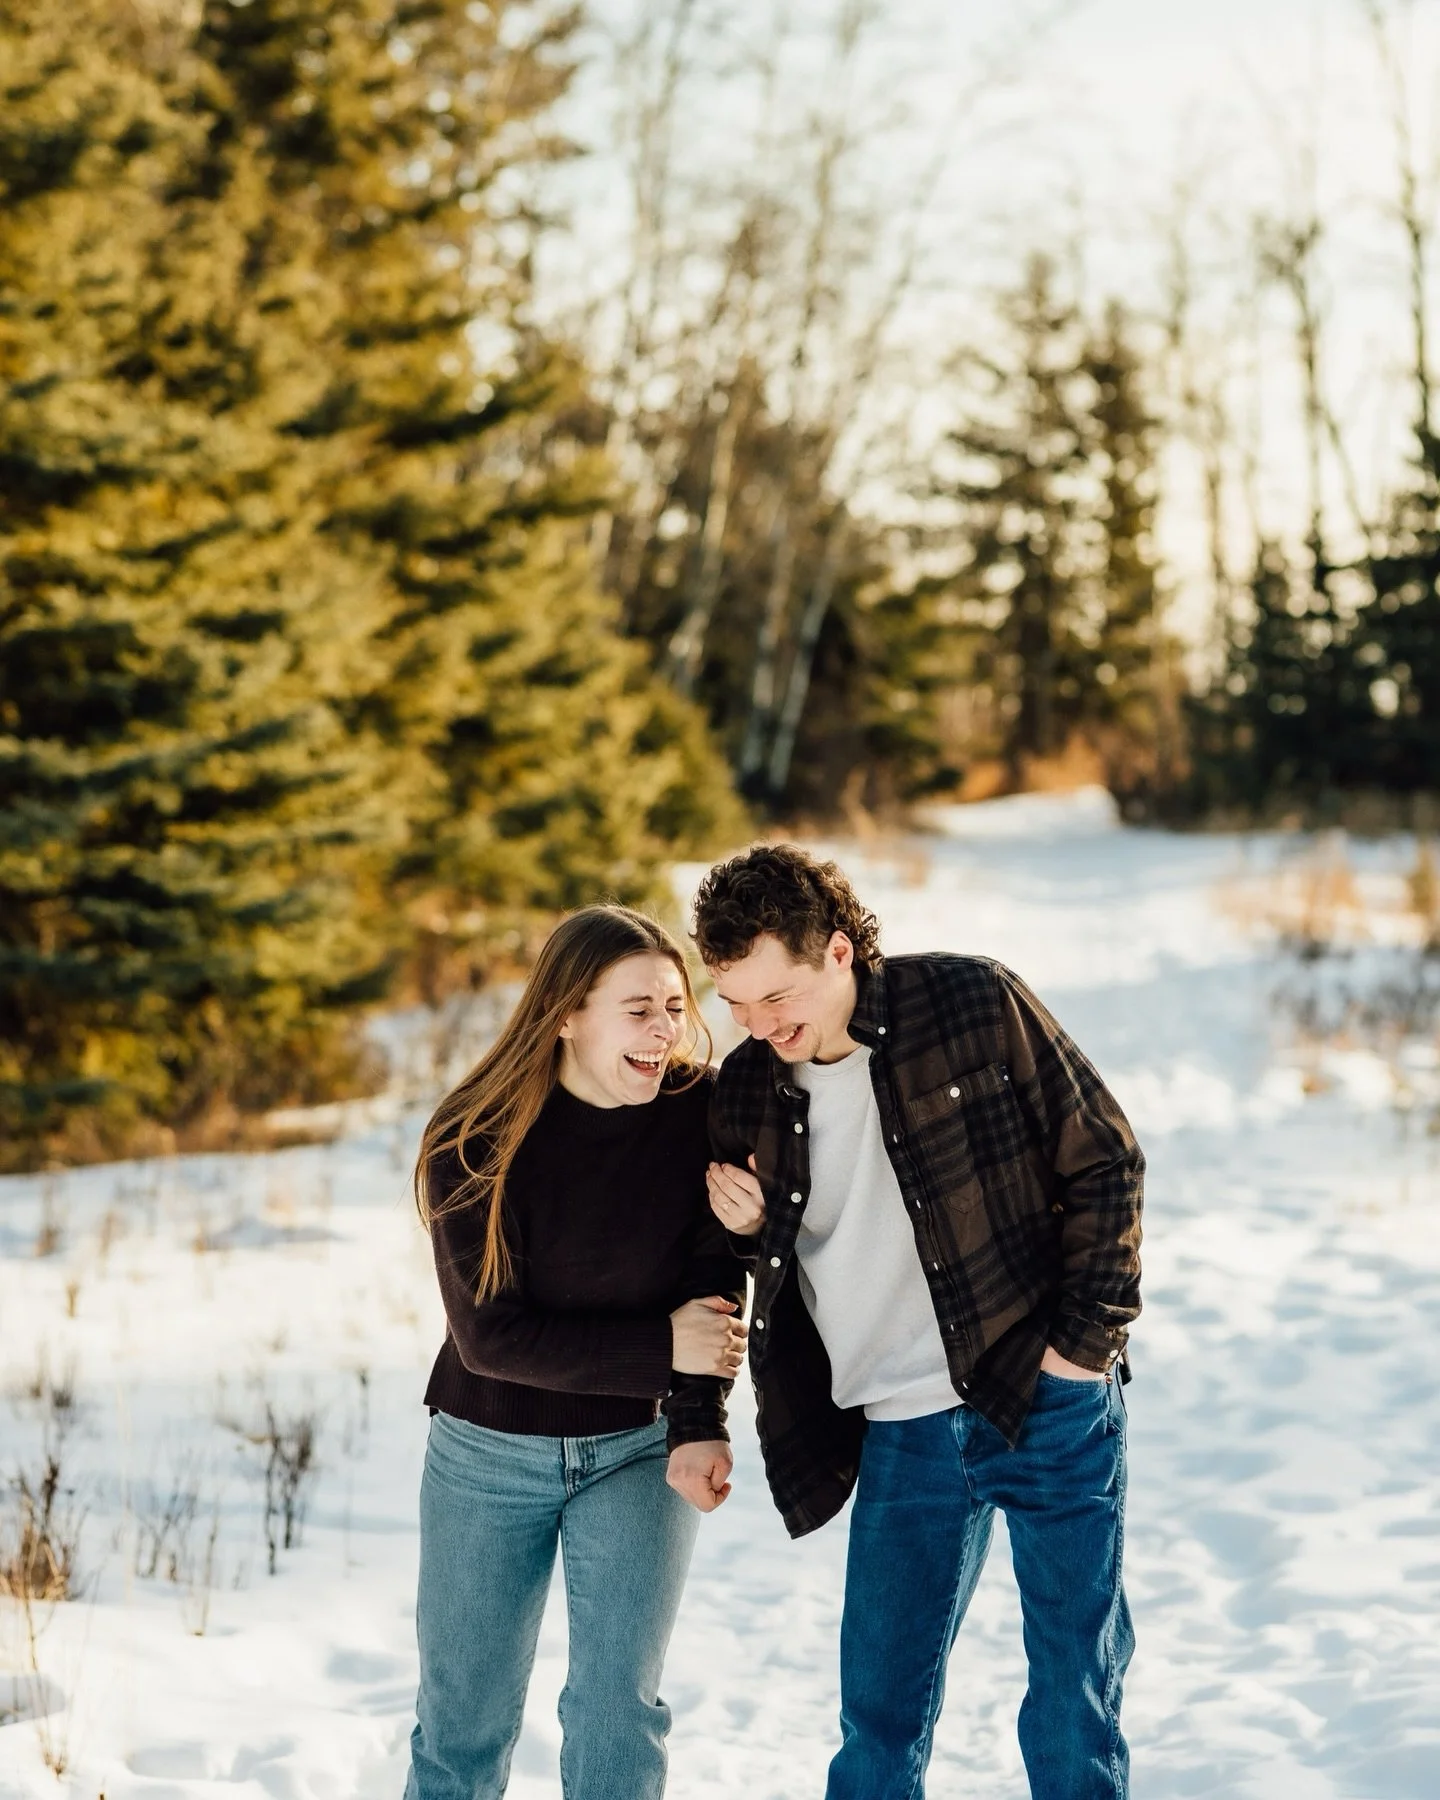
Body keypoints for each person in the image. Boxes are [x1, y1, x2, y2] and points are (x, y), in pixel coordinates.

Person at [694, 844, 1143, 1800]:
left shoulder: (972, 1002)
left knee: (1074, 1693)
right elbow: (752, 1266)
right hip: (899, 1429)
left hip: (1042, 1394)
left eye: (776, 997)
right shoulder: (745, 1090)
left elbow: (1105, 1159)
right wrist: (750, 1228)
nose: (757, 1025)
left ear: (839, 952)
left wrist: (1082, 1350)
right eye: (735, 1002)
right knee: (879, 1716)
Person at [404, 904, 747, 1800]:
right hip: (486, 1455)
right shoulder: (473, 1138)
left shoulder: (701, 1111)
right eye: (638, 1010)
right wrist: (661, 1346)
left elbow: (713, 1283)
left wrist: (698, 1421)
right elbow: (489, 1338)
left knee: (616, 1716)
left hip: (639, 1449)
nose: (665, 1030)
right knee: (463, 1725)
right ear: (566, 1013)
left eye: (674, 1007)